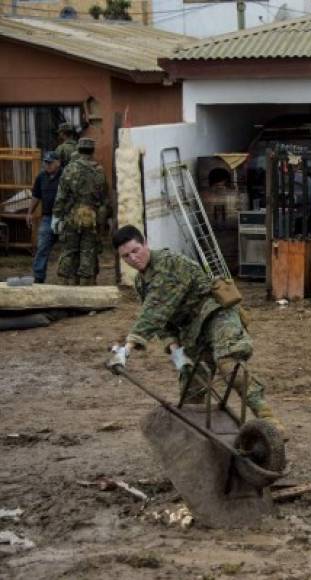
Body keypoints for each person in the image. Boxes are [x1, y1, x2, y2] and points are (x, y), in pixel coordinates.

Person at [107, 225, 283, 433]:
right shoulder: (141, 283)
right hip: (192, 330)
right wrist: (177, 354)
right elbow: (164, 324)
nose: (133, 258)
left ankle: (269, 421)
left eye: (135, 250)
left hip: (216, 315)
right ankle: (205, 436)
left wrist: (126, 350)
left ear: (146, 243)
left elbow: (155, 311)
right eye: (126, 256)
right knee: (191, 386)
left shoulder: (167, 264)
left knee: (228, 363)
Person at [52, 137, 108, 286]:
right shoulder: (99, 170)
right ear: (92, 151)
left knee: (69, 250)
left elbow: (61, 196)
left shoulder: (70, 168)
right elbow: (104, 198)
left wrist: (56, 216)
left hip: (72, 215)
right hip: (91, 217)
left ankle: (65, 283)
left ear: (78, 149)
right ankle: (86, 285)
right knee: (88, 251)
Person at [26, 152, 62, 283]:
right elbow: (36, 196)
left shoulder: (66, 176)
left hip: (64, 217)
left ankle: (68, 278)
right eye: (46, 162)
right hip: (47, 217)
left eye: (50, 162)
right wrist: (30, 212)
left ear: (58, 162)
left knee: (69, 248)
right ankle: (39, 278)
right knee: (42, 247)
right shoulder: (41, 177)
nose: (47, 165)